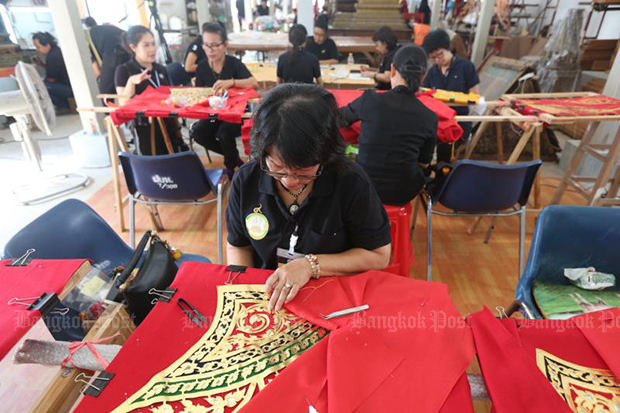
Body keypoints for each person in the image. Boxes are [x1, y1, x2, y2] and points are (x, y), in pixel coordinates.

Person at [226, 83, 392, 311]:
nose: (288, 181)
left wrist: (311, 266)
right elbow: (238, 245)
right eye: (277, 169)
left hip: (333, 299)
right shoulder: (246, 181)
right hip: (267, 298)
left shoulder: (350, 182)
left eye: (302, 173)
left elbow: (379, 255)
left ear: (325, 154)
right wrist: (246, 295)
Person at [341, 45, 437, 206]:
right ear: (423, 75)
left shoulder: (370, 100)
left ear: (392, 70)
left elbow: (340, 119)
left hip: (364, 186)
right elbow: (424, 163)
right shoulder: (430, 117)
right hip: (402, 193)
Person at [191, 23, 259, 178]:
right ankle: (234, 158)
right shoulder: (202, 67)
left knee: (224, 133)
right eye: (206, 45)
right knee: (198, 133)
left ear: (225, 45)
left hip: (237, 113)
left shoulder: (233, 63)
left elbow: (254, 83)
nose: (210, 50)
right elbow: (200, 94)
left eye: (215, 45)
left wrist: (233, 82)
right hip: (214, 113)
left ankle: (230, 168)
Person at [115, 25, 186, 155]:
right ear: (133, 47)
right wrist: (131, 82)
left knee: (173, 160)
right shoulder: (124, 70)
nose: (152, 49)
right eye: (146, 45)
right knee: (152, 165)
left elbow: (171, 96)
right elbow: (123, 105)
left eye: (153, 44)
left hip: (168, 121)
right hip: (144, 127)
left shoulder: (160, 69)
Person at [423, 29, 480, 162]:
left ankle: (445, 173)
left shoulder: (466, 67)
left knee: (446, 148)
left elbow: (475, 97)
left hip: (459, 121)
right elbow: (425, 96)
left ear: (448, 48)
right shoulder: (432, 73)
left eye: (440, 55)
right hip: (437, 122)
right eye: (433, 58)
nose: (437, 60)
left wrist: (453, 100)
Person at [83, 17, 130, 95]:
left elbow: (96, 69)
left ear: (87, 26)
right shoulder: (105, 29)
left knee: (105, 92)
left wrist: (100, 80)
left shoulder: (88, 38)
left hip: (114, 53)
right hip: (130, 48)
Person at [32, 32, 73, 111]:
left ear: (47, 45)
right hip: (69, 85)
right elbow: (56, 71)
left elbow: (51, 79)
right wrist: (42, 64)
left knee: (40, 88)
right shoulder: (57, 51)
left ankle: (64, 106)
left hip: (68, 88)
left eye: (38, 47)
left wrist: (39, 81)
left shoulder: (52, 56)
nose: (38, 50)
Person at [361, 26, 400, 90]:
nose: (376, 48)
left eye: (377, 45)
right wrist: (369, 69)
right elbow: (384, 71)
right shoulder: (390, 52)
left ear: (384, 44)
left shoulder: (393, 55)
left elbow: (386, 77)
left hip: (386, 92)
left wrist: (371, 74)